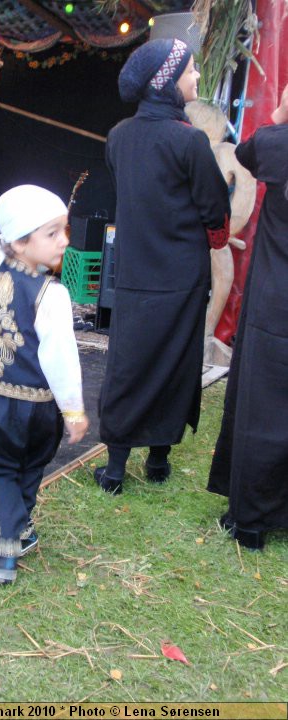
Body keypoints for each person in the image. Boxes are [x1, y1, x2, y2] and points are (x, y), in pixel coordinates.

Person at [96, 38, 231, 494]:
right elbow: (216, 213)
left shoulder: (117, 136)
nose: (196, 78)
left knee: (128, 364)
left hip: (134, 274)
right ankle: (157, 460)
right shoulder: (189, 140)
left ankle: (116, 469)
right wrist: (214, 240)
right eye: (190, 71)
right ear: (167, 82)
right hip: (181, 278)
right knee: (174, 362)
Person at [0, 185, 89, 584]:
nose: (64, 240)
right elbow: (59, 359)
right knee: (25, 466)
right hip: (37, 409)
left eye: (64, 230)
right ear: (20, 240)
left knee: (0, 469)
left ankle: (5, 544)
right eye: (52, 233)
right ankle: (16, 530)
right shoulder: (51, 293)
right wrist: (73, 411)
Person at [207, 84, 288, 550]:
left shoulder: (277, 145)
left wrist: (281, 111)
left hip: (277, 301)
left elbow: (253, 149)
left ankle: (252, 521)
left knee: (263, 407)